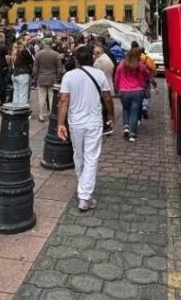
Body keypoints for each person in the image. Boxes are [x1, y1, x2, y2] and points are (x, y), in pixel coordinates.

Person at [57, 45, 113, 211]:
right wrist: (111, 114)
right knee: (91, 157)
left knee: (79, 154)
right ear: (92, 58)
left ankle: (82, 185)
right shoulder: (99, 74)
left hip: (75, 122)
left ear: (76, 60)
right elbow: (107, 97)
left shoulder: (69, 76)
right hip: (94, 121)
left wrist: (60, 123)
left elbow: (64, 100)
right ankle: (85, 196)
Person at [115, 47, 155, 142]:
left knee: (126, 109)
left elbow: (117, 78)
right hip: (137, 91)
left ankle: (126, 126)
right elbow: (148, 75)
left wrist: (117, 88)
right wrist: (153, 84)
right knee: (134, 112)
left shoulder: (121, 64)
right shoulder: (140, 65)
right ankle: (132, 134)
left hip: (124, 91)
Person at [33, 38, 63, 122]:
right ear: (51, 44)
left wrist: (35, 78)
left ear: (44, 43)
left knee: (41, 97)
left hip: (41, 77)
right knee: (51, 96)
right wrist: (58, 77)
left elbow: (35, 68)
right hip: (52, 78)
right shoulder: (56, 54)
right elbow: (59, 68)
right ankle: (51, 114)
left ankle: (41, 115)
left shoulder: (38, 54)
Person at [92, 44, 116, 136]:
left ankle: (105, 126)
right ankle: (107, 125)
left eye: (95, 53)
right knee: (106, 107)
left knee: (103, 108)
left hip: (102, 88)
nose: (93, 55)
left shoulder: (99, 61)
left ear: (98, 53)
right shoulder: (107, 58)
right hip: (108, 85)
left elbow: (94, 73)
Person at [10, 39, 34, 107]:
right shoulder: (24, 51)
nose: (27, 41)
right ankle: (21, 109)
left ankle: (15, 107)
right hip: (23, 74)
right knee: (23, 93)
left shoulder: (14, 52)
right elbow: (32, 60)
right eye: (26, 40)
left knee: (16, 92)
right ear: (22, 43)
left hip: (14, 74)